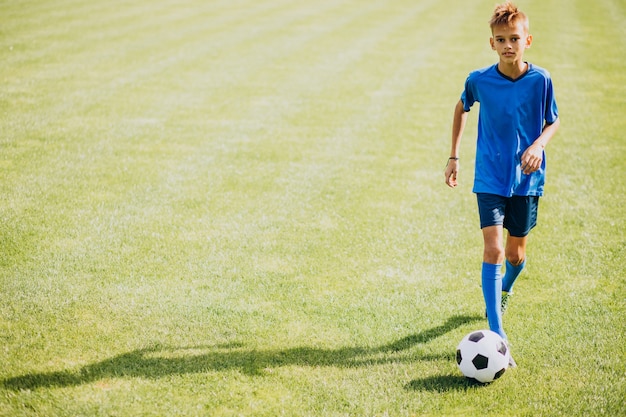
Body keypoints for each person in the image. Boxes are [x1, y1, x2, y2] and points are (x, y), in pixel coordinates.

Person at [444, 2, 560, 366]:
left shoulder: (541, 80)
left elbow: (553, 121)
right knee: (493, 249)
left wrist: (538, 145)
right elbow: (461, 107)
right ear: (491, 43)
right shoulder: (479, 80)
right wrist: (454, 156)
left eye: (514, 38)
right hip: (490, 177)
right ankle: (497, 332)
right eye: (500, 39)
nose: (508, 45)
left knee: (515, 256)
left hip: (526, 181)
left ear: (528, 40)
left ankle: (505, 288)